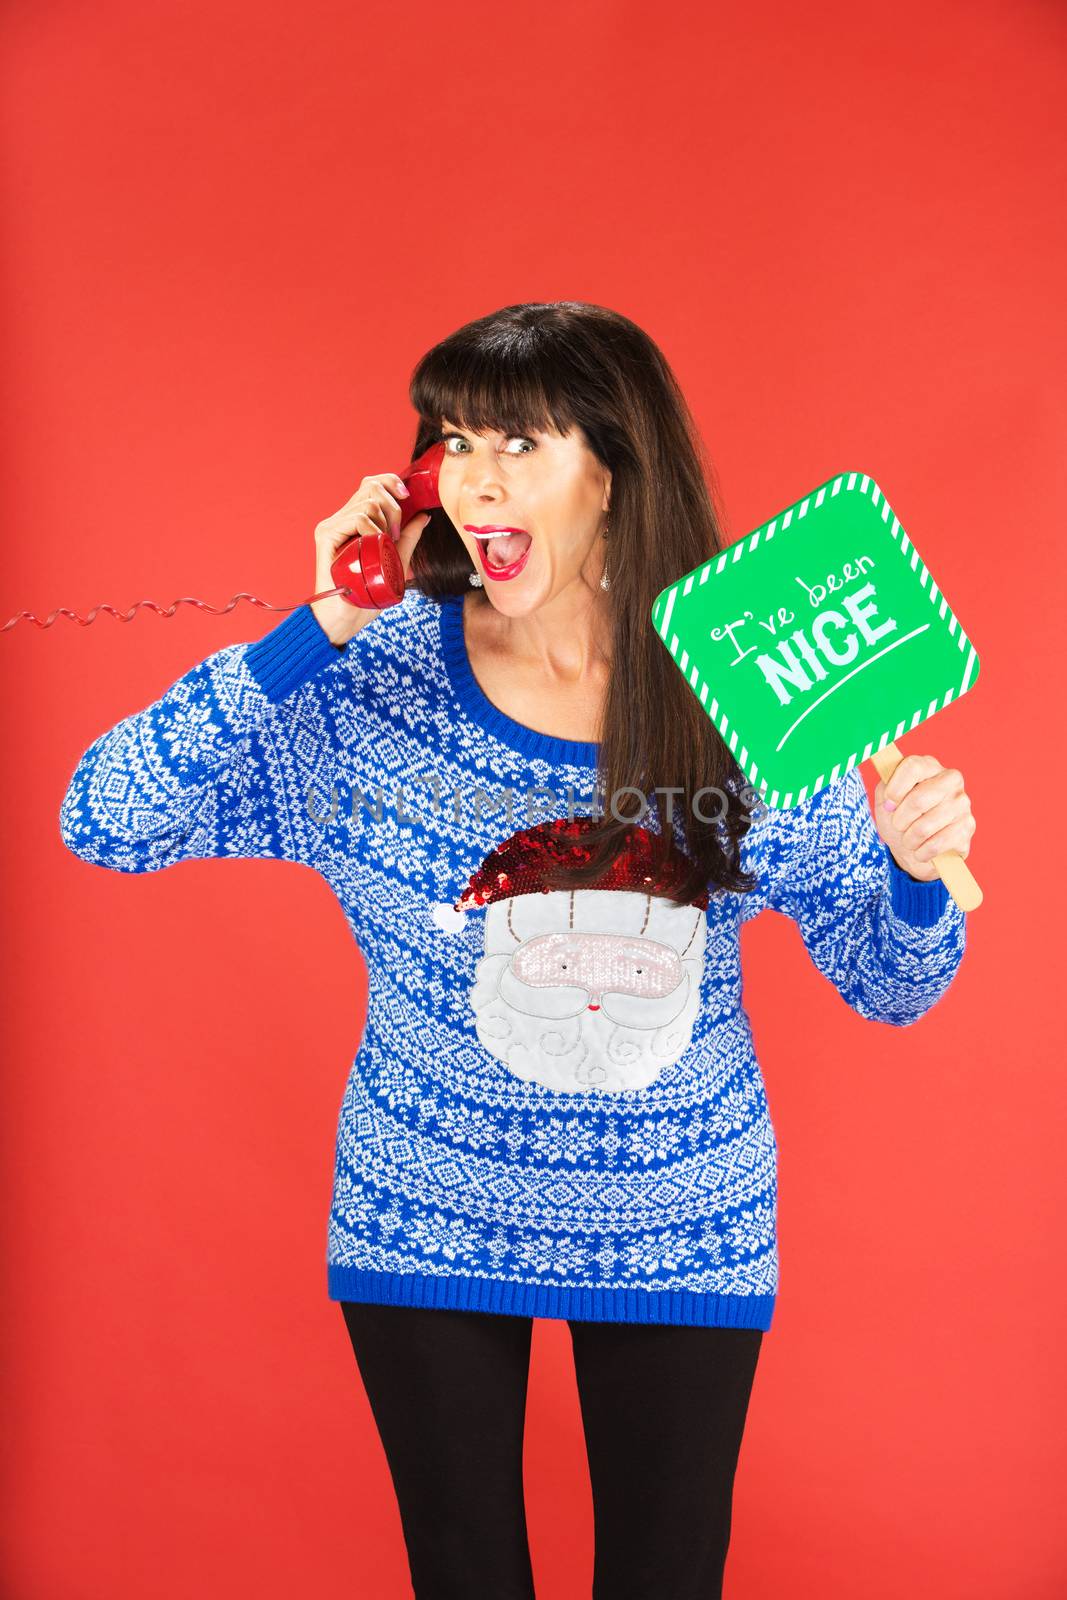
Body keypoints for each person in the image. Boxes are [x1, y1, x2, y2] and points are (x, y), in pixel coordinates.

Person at [59, 301, 975, 1598]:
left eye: (520, 443)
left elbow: (892, 984)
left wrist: (913, 873)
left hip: (680, 1219)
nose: (476, 477)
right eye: (453, 440)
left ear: (612, 471)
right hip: (423, 1205)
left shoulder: (747, 689)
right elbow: (105, 817)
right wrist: (315, 624)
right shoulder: (366, 686)